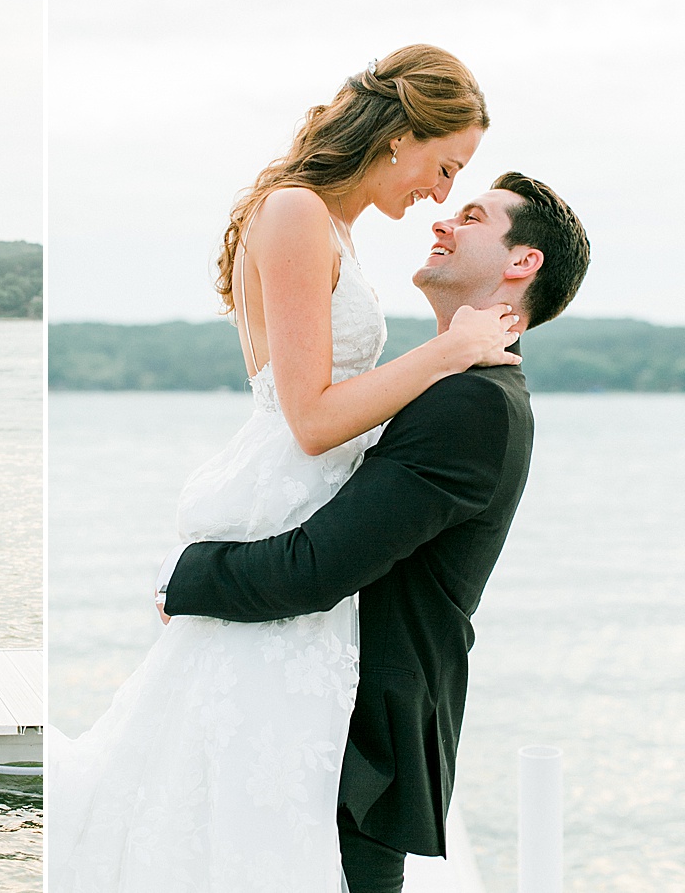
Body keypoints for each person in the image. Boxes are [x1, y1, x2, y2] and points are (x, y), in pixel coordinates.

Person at [49, 45, 515, 892]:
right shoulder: (297, 213)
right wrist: (447, 353)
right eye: (444, 167)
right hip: (290, 508)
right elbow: (311, 420)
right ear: (403, 133)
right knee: (247, 790)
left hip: (305, 518)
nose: (439, 195)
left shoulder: (325, 221)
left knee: (271, 787)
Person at [161, 172, 589, 892]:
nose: (442, 225)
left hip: (363, 755)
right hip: (326, 729)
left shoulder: (473, 407)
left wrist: (184, 582)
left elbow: (317, 566)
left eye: (472, 216)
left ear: (523, 262)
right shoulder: (453, 386)